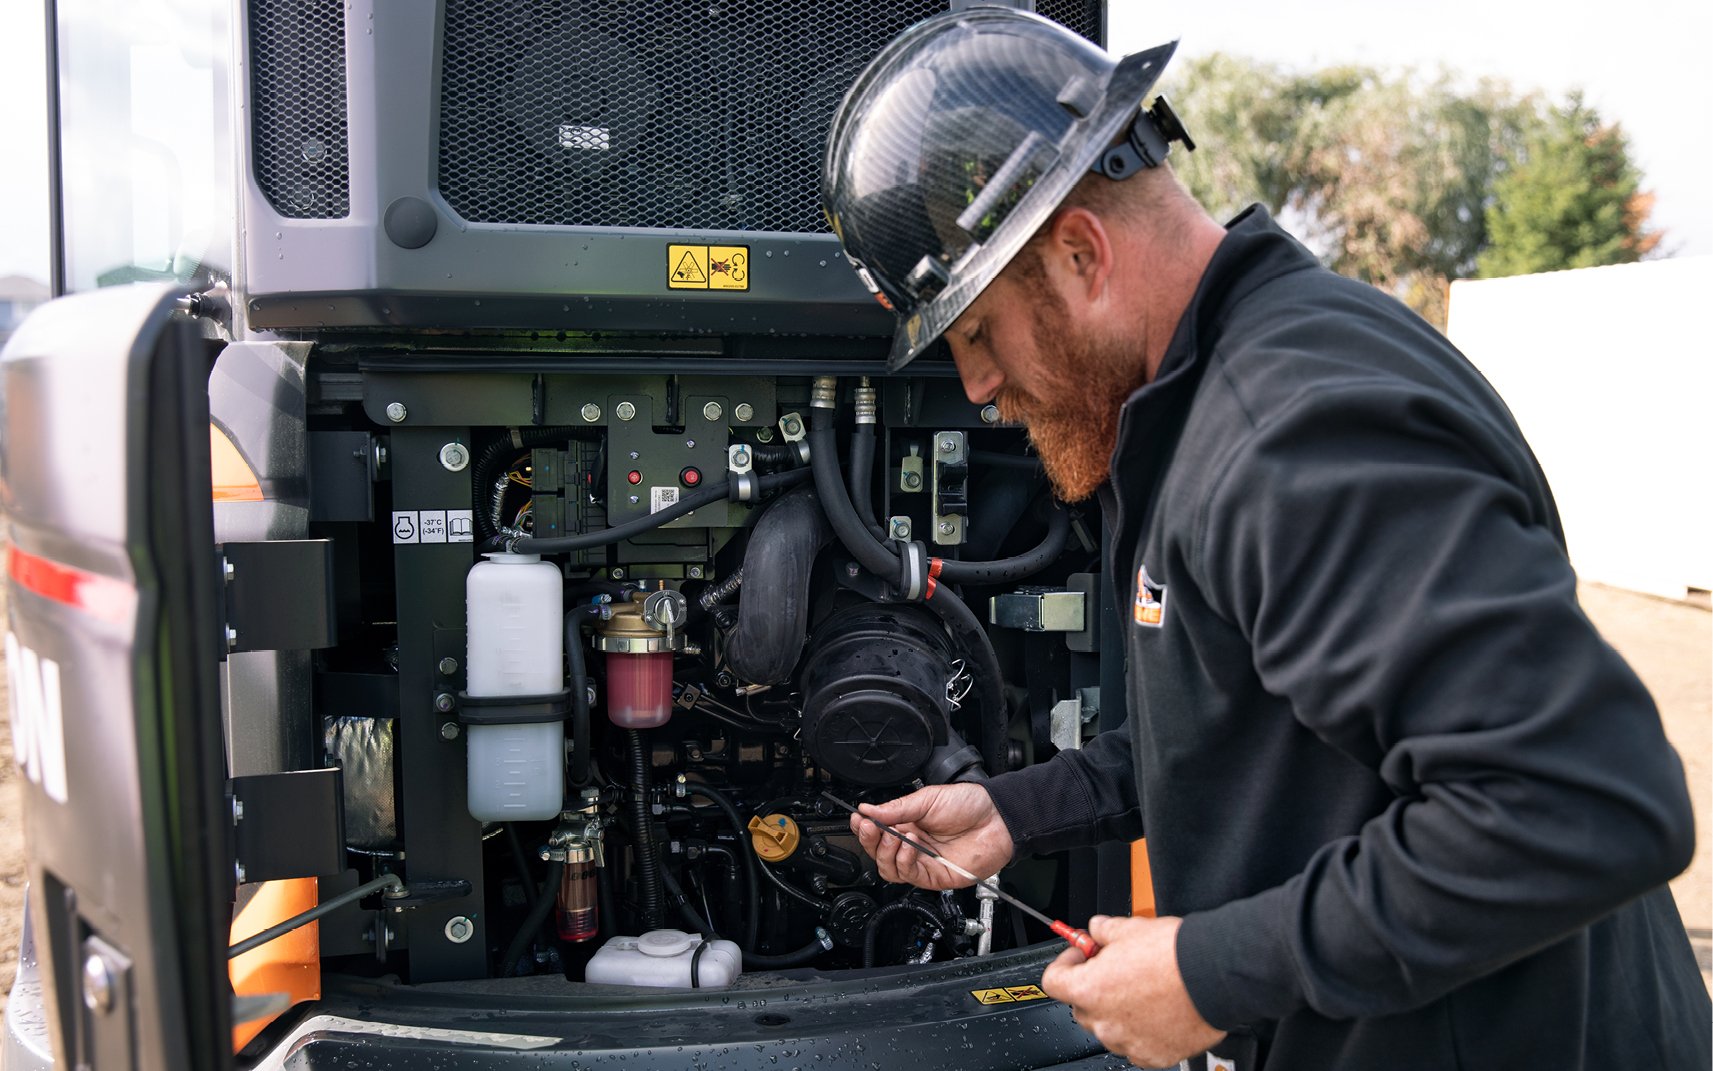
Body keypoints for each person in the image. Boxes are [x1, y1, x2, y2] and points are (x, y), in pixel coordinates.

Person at [819, 10, 1708, 1070]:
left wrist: (1210, 974)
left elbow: (1581, 804)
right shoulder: (1201, 405)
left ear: (1080, 253)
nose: (977, 385)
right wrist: (1016, 812)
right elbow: (1253, 732)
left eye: (977, 332)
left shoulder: (1292, 433)